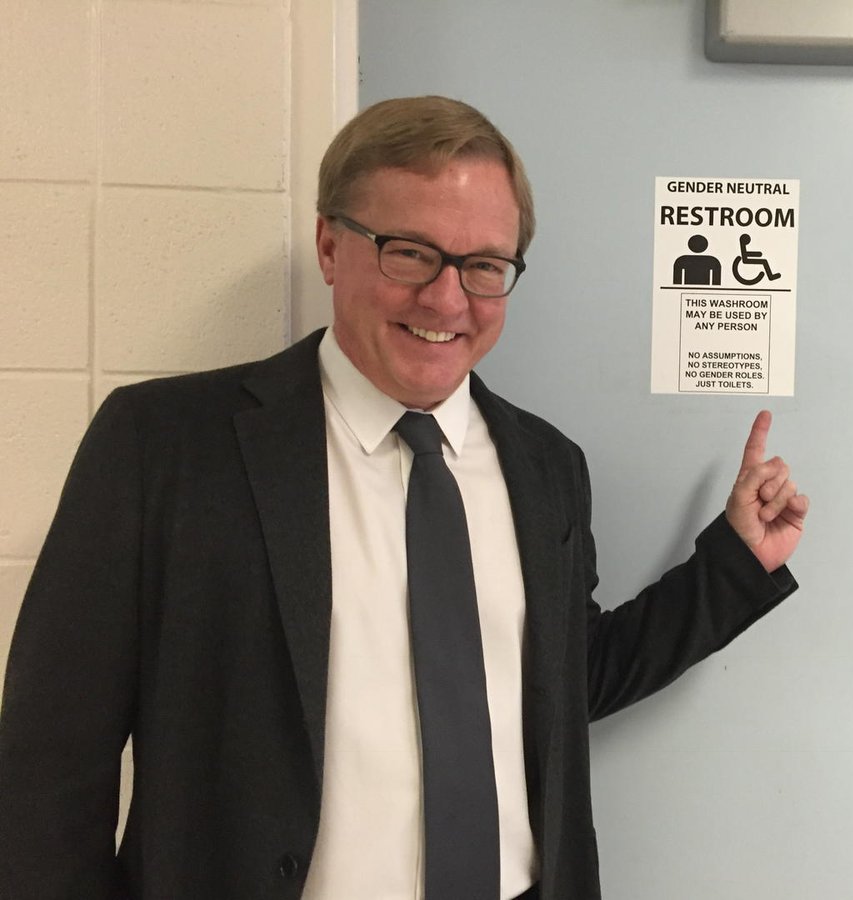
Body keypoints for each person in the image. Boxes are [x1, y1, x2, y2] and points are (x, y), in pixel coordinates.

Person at [0, 97, 808, 900]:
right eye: (409, 252)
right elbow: (48, 759)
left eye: (484, 265)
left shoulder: (548, 466)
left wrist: (732, 565)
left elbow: (564, 678)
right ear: (328, 243)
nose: (447, 299)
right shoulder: (165, 447)